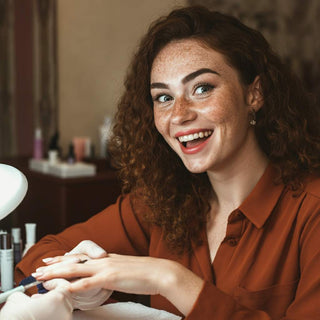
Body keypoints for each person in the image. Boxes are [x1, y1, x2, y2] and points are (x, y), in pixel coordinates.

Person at [15, 5, 320, 319]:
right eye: (163, 97)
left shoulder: (311, 210)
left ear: (254, 94)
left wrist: (169, 279)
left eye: (202, 88)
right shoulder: (161, 203)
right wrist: (80, 286)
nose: (179, 115)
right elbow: (39, 257)